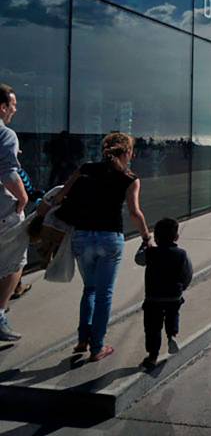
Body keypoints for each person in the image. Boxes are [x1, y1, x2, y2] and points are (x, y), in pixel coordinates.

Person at [52, 132, 150, 361]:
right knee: (104, 294)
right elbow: (135, 212)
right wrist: (147, 236)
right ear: (127, 152)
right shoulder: (130, 178)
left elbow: (60, 196)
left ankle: (83, 340)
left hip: (82, 236)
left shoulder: (86, 168)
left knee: (89, 290)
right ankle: (97, 347)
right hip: (110, 239)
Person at [136, 217, 193, 370]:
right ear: (176, 237)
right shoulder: (181, 254)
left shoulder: (150, 253)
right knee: (173, 314)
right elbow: (187, 274)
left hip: (153, 297)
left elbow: (138, 260)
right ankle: (172, 335)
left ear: (155, 237)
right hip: (174, 295)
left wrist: (144, 245)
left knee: (152, 327)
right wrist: (182, 288)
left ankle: (153, 356)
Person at [0, 84, 28, 341]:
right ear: (2, 107)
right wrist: (23, 197)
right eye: (13, 105)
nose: (15, 110)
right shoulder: (6, 134)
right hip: (4, 210)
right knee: (16, 261)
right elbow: (8, 172)